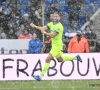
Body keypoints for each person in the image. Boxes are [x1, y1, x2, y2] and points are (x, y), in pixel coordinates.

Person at [30, 12, 82, 81]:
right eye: (54, 16)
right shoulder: (51, 24)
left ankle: (40, 76)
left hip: (57, 45)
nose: (55, 18)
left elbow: (52, 35)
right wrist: (35, 26)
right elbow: (43, 28)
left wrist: (44, 32)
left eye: (56, 16)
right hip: (54, 44)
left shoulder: (59, 26)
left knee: (48, 59)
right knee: (60, 60)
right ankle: (75, 57)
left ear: (59, 18)